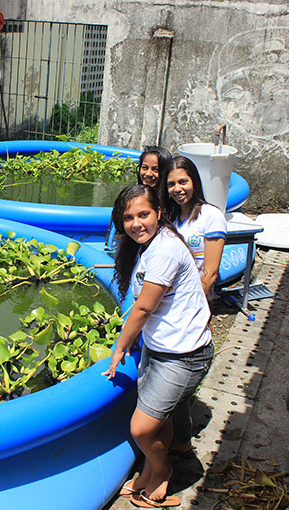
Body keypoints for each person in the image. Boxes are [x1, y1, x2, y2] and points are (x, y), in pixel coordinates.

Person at [103, 184, 213, 508]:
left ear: (159, 214)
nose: (136, 223)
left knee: (141, 428)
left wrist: (120, 348)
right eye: (128, 217)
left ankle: (162, 469)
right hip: (161, 348)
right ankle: (148, 473)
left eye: (143, 214)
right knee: (159, 421)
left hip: (182, 356)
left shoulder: (164, 249)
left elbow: (144, 308)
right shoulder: (152, 244)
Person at [162, 156, 227, 296]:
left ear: (195, 182)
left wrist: (195, 305)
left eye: (183, 182)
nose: (177, 189)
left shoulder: (211, 215)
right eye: (171, 184)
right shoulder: (169, 219)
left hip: (193, 298)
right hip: (168, 297)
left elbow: (210, 272)